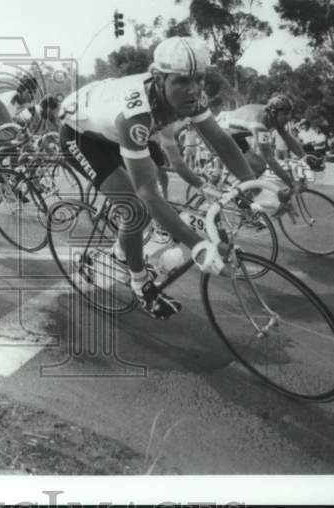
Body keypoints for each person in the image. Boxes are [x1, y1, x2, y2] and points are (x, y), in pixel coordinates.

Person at [58, 36, 256, 319]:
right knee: (137, 209)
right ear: (157, 78)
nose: (194, 90)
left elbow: (221, 141)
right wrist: (197, 246)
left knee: (154, 184)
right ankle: (140, 285)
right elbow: (147, 193)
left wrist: (254, 189)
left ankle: (121, 252)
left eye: (199, 79)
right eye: (181, 82)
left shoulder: (191, 95)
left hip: (111, 125)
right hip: (80, 134)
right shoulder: (134, 113)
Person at [214, 93, 318, 192]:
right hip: (220, 132)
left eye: (289, 113)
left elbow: (286, 136)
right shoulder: (259, 126)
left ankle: (239, 195)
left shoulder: (273, 115)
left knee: (259, 167)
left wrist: (303, 156)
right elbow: (270, 159)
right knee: (259, 166)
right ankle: (230, 195)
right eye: (285, 114)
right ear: (273, 113)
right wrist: (290, 183)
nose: (289, 117)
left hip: (233, 133)